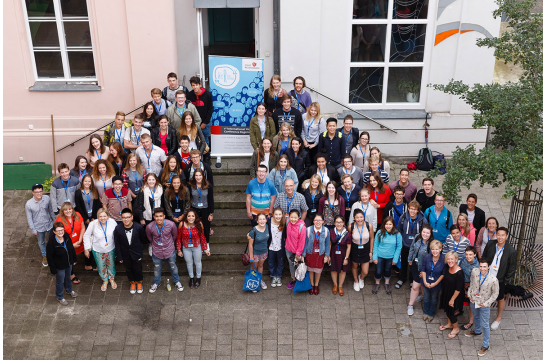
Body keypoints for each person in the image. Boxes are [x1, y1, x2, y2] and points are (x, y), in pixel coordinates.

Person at [481, 227, 516, 331]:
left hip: (499, 279)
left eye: (503, 235)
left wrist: (505, 281)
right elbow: (484, 257)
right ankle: (483, 315)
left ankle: (498, 318)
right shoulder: (491, 244)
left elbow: (512, 268)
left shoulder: (511, 251)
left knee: (500, 298)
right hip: (487, 276)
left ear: (507, 236)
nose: (500, 237)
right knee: (485, 294)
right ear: (496, 235)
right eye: (498, 234)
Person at [465, 257, 500, 357]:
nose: (482, 268)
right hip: (474, 300)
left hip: (484, 304)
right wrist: (469, 294)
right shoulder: (474, 271)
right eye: (480, 266)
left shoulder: (493, 280)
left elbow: (495, 294)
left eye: (485, 267)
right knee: (476, 317)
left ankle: (486, 345)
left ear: (489, 267)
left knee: (485, 324)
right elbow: (471, 283)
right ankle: (477, 331)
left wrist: (487, 303)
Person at [146, 208, 184, 293]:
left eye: (160, 216)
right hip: (156, 251)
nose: (159, 218)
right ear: (154, 217)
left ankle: (177, 281)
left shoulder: (171, 224)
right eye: (157, 216)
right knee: (156, 268)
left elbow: (174, 236)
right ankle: (156, 283)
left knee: (173, 267)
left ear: (164, 216)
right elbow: (150, 238)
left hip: (169, 250)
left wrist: (169, 243)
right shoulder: (149, 227)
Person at [395, 200, 428, 289]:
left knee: (414, 264)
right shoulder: (403, 218)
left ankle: (411, 280)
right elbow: (400, 229)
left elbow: (425, 232)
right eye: (411, 209)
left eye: (415, 209)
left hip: (416, 246)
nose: (412, 211)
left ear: (418, 210)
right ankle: (402, 278)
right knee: (404, 262)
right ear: (408, 209)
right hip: (405, 244)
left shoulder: (423, 220)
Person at [83, 208, 118, 291]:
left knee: (111, 265)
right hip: (98, 249)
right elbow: (86, 236)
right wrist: (86, 249)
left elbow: (118, 234)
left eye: (104, 216)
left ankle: (111, 278)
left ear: (108, 216)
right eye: (100, 216)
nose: (102, 218)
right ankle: (105, 280)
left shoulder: (112, 222)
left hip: (110, 248)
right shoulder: (93, 224)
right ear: (97, 217)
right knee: (101, 266)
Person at [113, 208, 146, 294]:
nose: (126, 219)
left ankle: (139, 282)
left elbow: (142, 239)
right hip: (125, 254)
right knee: (128, 269)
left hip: (136, 253)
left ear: (132, 217)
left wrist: (139, 251)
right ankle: (132, 282)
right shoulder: (118, 229)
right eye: (124, 217)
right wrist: (119, 256)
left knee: (138, 269)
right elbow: (117, 243)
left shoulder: (139, 227)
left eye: (128, 217)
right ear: (121, 218)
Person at [176, 209, 210, 289]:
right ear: (186, 217)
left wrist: (205, 249)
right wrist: (179, 249)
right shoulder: (182, 224)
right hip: (186, 247)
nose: (191, 217)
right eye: (189, 216)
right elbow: (178, 237)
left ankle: (198, 278)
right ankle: (191, 278)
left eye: (193, 216)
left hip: (196, 247)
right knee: (189, 263)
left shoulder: (199, 224)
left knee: (198, 263)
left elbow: (202, 237)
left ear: (195, 217)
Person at [46, 221, 78, 305]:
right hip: (59, 266)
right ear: (54, 231)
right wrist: (53, 269)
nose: (61, 232)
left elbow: (71, 248)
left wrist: (74, 258)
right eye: (58, 230)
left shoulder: (66, 236)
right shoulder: (51, 243)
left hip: (68, 263)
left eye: (62, 230)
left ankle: (69, 290)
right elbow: (49, 257)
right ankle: (60, 296)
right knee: (60, 281)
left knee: (68, 277)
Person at [26, 183, 56, 267]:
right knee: (41, 242)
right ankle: (45, 256)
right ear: (33, 192)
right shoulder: (29, 204)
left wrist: (55, 221)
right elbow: (29, 218)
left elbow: (51, 210)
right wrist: (33, 230)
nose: (39, 193)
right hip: (38, 227)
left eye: (40, 191)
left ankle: (55, 252)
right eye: (36, 192)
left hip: (49, 224)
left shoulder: (47, 199)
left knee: (54, 238)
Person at [55, 202, 85, 284]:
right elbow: (59, 236)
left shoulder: (78, 215)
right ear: (62, 211)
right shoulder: (59, 220)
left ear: (72, 209)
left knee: (89, 253)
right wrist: (71, 246)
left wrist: (80, 239)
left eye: (69, 209)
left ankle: (88, 265)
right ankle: (71, 275)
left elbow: (83, 228)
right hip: (68, 245)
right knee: (69, 260)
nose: (68, 211)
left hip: (79, 242)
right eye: (65, 210)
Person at [407, 225, 434, 315]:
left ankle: (410, 305)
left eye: (427, 233)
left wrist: (424, 272)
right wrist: (410, 259)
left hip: (423, 268)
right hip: (415, 265)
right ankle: (423, 295)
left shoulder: (431, 244)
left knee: (415, 287)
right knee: (421, 284)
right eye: (424, 232)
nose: (425, 234)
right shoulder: (417, 237)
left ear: (430, 234)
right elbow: (412, 248)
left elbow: (431, 260)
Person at [372, 217, 402, 294]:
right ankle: (377, 283)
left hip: (390, 257)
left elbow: (399, 247)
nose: (388, 226)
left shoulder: (397, 234)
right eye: (386, 224)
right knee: (378, 270)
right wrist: (374, 257)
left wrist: (395, 259)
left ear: (393, 225)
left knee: (388, 270)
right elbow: (375, 245)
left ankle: (387, 283)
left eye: (390, 224)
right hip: (380, 256)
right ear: (384, 224)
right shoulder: (379, 232)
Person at [302, 214, 331, 295]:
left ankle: (316, 285)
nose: (318, 222)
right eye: (316, 220)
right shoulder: (308, 230)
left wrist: (326, 256)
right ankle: (311, 284)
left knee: (318, 270)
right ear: (313, 221)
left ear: (323, 221)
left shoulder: (326, 231)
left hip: (320, 254)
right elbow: (305, 243)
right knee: (310, 270)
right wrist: (303, 255)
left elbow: (327, 244)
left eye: (320, 220)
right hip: (310, 253)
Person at [439, 251, 465, 338]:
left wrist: (452, 299)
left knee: (451, 313)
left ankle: (456, 328)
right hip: (447, 292)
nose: (450, 261)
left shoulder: (459, 273)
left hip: (455, 296)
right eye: (448, 259)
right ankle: (449, 324)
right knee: (447, 310)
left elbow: (458, 289)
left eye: (452, 259)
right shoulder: (447, 266)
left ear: (456, 259)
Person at [421, 240, 445, 322]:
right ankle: (425, 312)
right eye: (433, 249)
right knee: (426, 297)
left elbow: (443, 274)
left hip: (437, 283)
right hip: (426, 281)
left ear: (440, 249)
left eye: (436, 249)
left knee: (434, 298)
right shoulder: (427, 257)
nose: (434, 251)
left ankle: (431, 313)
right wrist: (424, 281)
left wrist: (435, 283)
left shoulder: (443, 259)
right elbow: (423, 270)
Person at [351, 209, 374, 292]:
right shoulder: (351, 226)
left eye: (361, 217)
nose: (359, 219)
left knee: (365, 271)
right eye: (357, 217)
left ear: (364, 217)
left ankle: (361, 278)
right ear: (354, 218)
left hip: (366, 249)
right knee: (355, 266)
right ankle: (356, 281)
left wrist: (371, 251)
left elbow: (372, 238)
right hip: (355, 249)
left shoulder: (369, 225)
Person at [189, 168, 214, 245]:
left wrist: (211, 213)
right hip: (194, 208)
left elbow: (211, 199)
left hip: (205, 208)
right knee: (195, 226)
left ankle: (206, 243)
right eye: (196, 175)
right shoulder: (191, 185)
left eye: (200, 175)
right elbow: (189, 198)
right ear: (194, 176)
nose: (198, 177)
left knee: (206, 226)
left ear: (203, 176)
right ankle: (196, 242)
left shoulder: (208, 185)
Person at [247, 213, 271, 291]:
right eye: (260, 219)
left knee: (261, 266)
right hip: (255, 253)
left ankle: (259, 280)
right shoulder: (253, 231)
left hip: (264, 252)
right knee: (254, 267)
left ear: (266, 220)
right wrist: (251, 256)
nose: (262, 221)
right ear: (257, 221)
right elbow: (250, 245)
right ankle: (254, 282)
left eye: (263, 219)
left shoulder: (267, 227)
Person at [283, 209, 306, 290]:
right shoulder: (287, 221)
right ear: (288, 217)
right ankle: (293, 279)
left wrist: (298, 253)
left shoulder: (302, 227)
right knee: (291, 265)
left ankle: (299, 281)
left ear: (299, 217)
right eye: (291, 217)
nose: (293, 219)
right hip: (288, 248)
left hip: (297, 251)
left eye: (295, 217)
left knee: (298, 266)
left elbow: (302, 241)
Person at [187, 76, 213, 146]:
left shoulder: (207, 94)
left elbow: (210, 109)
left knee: (205, 140)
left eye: (196, 85)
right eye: (193, 85)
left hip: (205, 123)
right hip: (193, 123)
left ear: (200, 85)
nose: (195, 87)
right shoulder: (189, 95)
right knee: (195, 141)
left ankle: (206, 156)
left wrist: (204, 123)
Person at [329, 216, 352, 296]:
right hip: (333, 254)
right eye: (337, 222)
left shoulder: (348, 234)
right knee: (333, 269)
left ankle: (340, 286)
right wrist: (328, 255)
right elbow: (330, 244)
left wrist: (346, 258)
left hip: (343, 254)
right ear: (334, 223)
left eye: (341, 222)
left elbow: (349, 247)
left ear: (343, 223)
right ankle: (335, 284)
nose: (339, 224)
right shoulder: (331, 231)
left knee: (343, 270)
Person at [459, 246, 479, 331]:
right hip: (461, 283)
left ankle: (470, 322)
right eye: (466, 254)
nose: (468, 256)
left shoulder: (477, 266)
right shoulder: (464, 259)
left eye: (470, 254)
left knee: (471, 304)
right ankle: (459, 310)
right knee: (460, 299)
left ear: (475, 254)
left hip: (470, 286)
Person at [268, 208, 286, 287]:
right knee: (271, 262)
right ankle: (273, 276)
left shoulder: (284, 222)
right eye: (276, 214)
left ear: (282, 215)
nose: (278, 216)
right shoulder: (268, 221)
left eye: (279, 214)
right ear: (273, 214)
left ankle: (278, 276)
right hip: (271, 246)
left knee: (281, 262)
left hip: (280, 247)